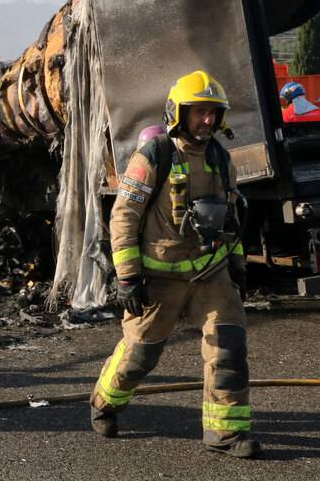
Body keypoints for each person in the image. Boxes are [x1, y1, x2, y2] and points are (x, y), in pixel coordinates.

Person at [91, 70, 260, 459]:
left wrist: (237, 265)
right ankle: (105, 401)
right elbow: (124, 217)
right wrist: (129, 277)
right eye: (199, 112)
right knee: (140, 356)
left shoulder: (220, 159)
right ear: (178, 113)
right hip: (159, 276)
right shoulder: (154, 156)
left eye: (213, 113)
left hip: (209, 273)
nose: (207, 121)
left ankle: (226, 433)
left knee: (229, 346)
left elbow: (230, 217)